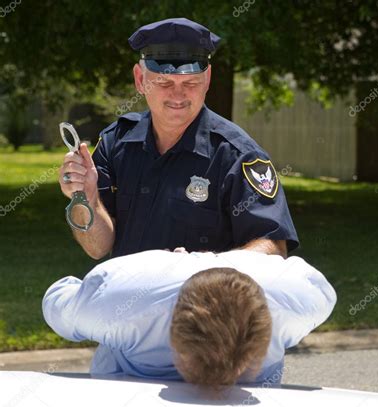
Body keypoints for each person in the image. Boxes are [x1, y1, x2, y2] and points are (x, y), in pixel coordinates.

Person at [58, 18, 299, 260]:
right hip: (129, 296)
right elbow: (97, 248)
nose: (178, 94)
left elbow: (273, 248)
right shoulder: (115, 142)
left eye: (190, 82)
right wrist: (85, 198)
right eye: (164, 82)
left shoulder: (238, 156)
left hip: (202, 296)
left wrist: (205, 265)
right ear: (140, 80)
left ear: (207, 79)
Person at [42, 249, 337, 390]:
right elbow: (57, 304)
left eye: (241, 367)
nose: (212, 387)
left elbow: (58, 306)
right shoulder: (116, 301)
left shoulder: (291, 302)